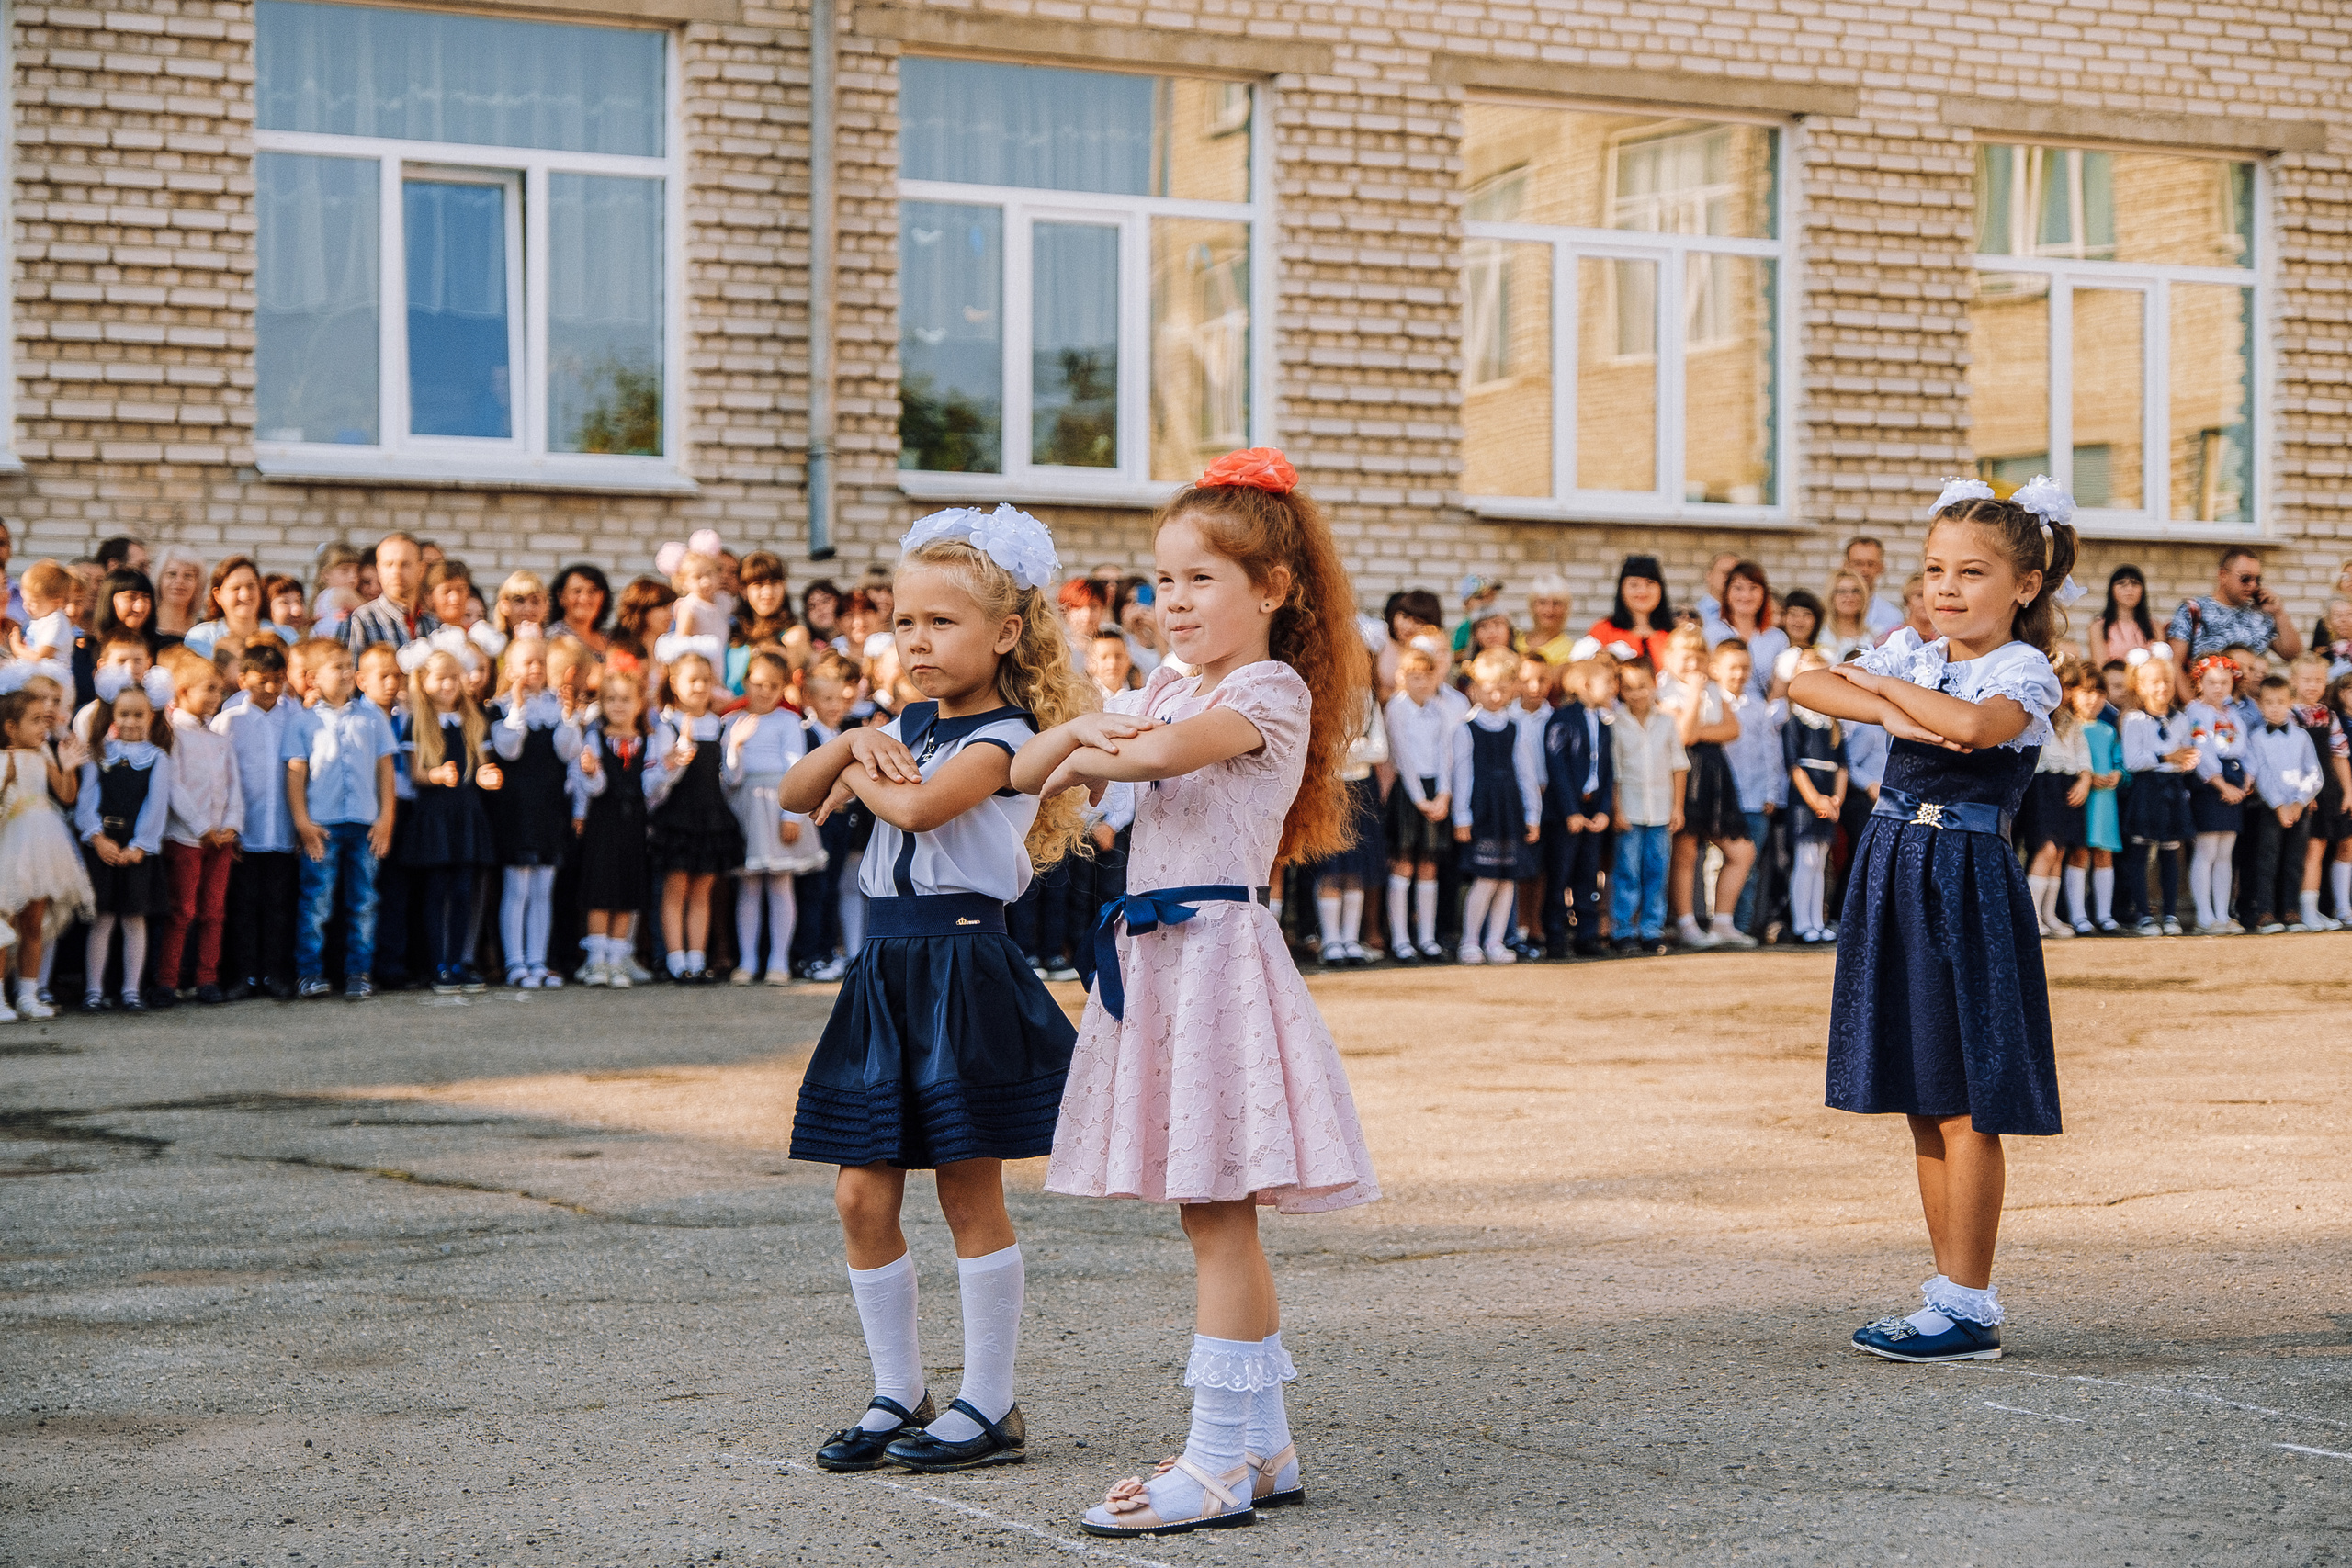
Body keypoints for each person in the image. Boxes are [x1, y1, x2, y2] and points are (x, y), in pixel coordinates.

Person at [1012, 446, 1377, 1536]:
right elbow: (1045, 767)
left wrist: (1084, 736)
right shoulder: (1170, 683)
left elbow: (1141, 759)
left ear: (1270, 590)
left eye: (1201, 578)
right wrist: (1078, 735)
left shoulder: (1268, 689)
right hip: (1160, 961)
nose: (1172, 601)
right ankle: (1260, 1447)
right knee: (1206, 1211)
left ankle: (1216, 1461)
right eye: (1162, 579)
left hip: (1216, 955)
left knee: (1221, 1213)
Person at [780, 505, 1085, 1482]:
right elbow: (794, 794)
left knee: (966, 1187)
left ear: (1004, 633)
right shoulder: (900, 726)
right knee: (860, 1192)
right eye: (903, 621)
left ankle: (989, 1403)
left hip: (961, 966)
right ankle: (895, 1390)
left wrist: (866, 771)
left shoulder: (1006, 736)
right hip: (884, 972)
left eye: (941, 622)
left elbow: (914, 805)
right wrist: (858, 737)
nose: (915, 639)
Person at [1789, 474, 2075, 1364]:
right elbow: (1806, 684)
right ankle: (1945, 1293)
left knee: (1965, 1097)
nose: (1945, 589)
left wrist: (1882, 694)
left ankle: (1970, 1300)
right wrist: (1894, 698)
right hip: (1893, 868)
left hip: (1964, 877)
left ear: (2024, 585)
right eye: (1934, 570)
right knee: (1920, 1092)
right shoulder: (1913, 653)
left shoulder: (2021, 671)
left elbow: (1977, 727)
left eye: (1972, 573)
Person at [282, 637, 399, 999]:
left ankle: (358, 972)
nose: (348, 673)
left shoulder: (372, 717)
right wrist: (301, 822)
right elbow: (296, 774)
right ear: (313, 677)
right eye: (338, 667)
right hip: (322, 826)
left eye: (350, 666)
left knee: (363, 901)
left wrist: (386, 819)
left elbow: (385, 770)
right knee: (317, 901)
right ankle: (309, 973)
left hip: (365, 824)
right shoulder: (303, 722)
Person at [397, 636, 501, 995]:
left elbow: (484, 768)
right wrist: (436, 775)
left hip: (466, 815)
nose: (447, 685)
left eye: (454, 678)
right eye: (440, 678)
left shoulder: (472, 721)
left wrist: (488, 777)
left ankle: (459, 961)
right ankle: (438, 964)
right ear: (423, 681)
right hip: (434, 816)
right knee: (435, 891)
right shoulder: (417, 723)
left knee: (463, 891)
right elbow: (414, 773)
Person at [723, 649, 822, 985]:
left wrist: (791, 814)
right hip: (745, 807)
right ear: (745, 682)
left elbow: (796, 767)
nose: (764, 691)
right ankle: (748, 962)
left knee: (781, 883)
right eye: (757, 682)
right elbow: (729, 777)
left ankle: (778, 961)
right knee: (748, 886)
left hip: (779, 803)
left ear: (782, 688)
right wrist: (734, 747)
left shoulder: (788, 722)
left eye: (773, 685)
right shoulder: (731, 723)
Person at [74, 677, 173, 1011]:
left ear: (151, 717)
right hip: (104, 844)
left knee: (134, 919)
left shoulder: (157, 757)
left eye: (139, 715)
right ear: (113, 715)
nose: (131, 722)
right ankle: (93, 990)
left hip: (135, 849)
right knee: (102, 919)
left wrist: (140, 845)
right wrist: (96, 837)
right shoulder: (98, 752)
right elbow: (87, 798)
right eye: (124, 714)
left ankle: (131, 990)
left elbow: (156, 805)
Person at [487, 634, 579, 987]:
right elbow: (508, 749)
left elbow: (567, 751)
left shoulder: (556, 707)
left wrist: (569, 716)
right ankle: (515, 962)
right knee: (517, 888)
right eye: (527, 663)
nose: (535, 669)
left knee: (543, 888)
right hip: (516, 810)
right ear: (510, 670)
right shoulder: (499, 708)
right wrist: (518, 707)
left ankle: (539, 960)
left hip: (549, 809)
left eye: (540, 662)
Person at [645, 648, 741, 983]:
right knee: (675, 889)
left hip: (711, 818)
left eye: (705, 680)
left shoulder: (719, 726)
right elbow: (654, 785)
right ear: (674, 683)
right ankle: (675, 960)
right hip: (677, 818)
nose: (699, 687)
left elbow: (730, 779)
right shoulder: (666, 724)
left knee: (702, 891)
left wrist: (736, 750)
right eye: (692, 680)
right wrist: (672, 763)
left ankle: (697, 960)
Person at [156, 647, 241, 1005]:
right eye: (208, 688)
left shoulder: (220, 739)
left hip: (220, 839)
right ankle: (166, 980)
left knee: (214, 911)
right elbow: (173, 786)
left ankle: (208, 978)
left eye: (219, 689)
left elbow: (235, 786)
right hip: (187, 838)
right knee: (182, 911)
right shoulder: (173, 735)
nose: (216, 696)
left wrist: (231, 825)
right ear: (183, 692)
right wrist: (202, 826)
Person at [1657, 626, 1751, 949]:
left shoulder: (1714, 688)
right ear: (1669, 658)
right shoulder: (1665, 690)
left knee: (1742, 850)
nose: (1693, 664)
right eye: (1686, 657)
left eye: (1699, 657)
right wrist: (1695, 697)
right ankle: (1685, 922)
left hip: (1715, 774)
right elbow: (1683, 736)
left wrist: (1700, 728)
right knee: (1686, 852)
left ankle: (1722, 920)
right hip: (1685, 774)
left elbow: (1731, 728)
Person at [1447, 646, 1540, 966]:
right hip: (1483, 810)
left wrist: (1533, 814)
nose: (1496, 695)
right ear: (1474, 689)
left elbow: (1527, 774)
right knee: (1485, 877)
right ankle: (1470, 941)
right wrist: (1461, 817)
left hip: (1510, 808)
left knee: (1506, 878)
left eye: (1503, 687)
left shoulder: (1518, 727)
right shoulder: (1465, 728)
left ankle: (1496, 941)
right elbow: (1462, 775)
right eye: (1489, 688)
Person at [215, 639, 298, 998]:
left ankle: (276, 974)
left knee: (279, 908)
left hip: (281, 829)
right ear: (243, 677)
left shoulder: (294, 716)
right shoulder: (228, 721)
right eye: (262, 679)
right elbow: (219, 778)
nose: (270, 687)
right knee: (243, 907)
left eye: (277, 679)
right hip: (243, 831)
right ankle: (242, 975)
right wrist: (226, 828)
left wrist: (299, 825)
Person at [569, 669, 652, 987]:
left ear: (639, 703)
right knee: (601, 891)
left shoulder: (647, 741)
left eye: (626, 699)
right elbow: (591, 787)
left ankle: (617, 960)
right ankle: (596, 961)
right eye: (611, 699)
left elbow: (652, 788)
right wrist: (590, 773)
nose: (618, 706)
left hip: (633, 824)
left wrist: (670, 768)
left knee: (628, 890)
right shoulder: (595, 739)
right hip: (604, 824)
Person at [1311, 645, 1386, 966]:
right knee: (1331, 868)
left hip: (1362, 790)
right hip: (1331, 789)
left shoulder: (1369, 701)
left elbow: (1380, 750)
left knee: (1356, 868)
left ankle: (1350, 939)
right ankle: (1331, 940)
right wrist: (1358, 749)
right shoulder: (1324, 697)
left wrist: (1351, 749)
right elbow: (1322, 748)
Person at [1381, 645, 1453, 964]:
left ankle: (1427, 939)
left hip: (1434, 788)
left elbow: (1445, 753)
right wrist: (1421, 799)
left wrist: (1444, 794)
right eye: (1413, 676)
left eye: (1427, 676)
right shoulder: (1396, 709)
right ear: (1401, 677)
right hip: (1409, 792)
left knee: (1429, 864)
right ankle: (1400, 940)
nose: (1421, 683)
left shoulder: (1439, 709)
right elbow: (1403, 757)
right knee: (1404, 862)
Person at [1541, 658, 1617, 958]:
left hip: (1592, 810)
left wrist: (1603, 810)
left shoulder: (1603, 722)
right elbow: (1556, 768)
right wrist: (1570, 811)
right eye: (1607, 682)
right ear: (1586, 685)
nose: (1613, 687)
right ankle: (1555, 936)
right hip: (1565, 815)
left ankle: (1587, 935)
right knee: (1560, 874)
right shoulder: (1562, 720)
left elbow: (1608, 771)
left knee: (1588, 874)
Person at [1610, 659, 1685, 955]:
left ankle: (1652, 929)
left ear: (1654, 685)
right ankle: (1623, 930)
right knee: (1627, 871)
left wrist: (1678, 808)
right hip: (1629, 809)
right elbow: (1614, 772)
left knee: (1657, 869)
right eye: (1628, 688)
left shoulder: (1667, 722)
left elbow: (1679, 766)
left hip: (1661, 810)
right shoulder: (1616, 724)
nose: (1636, 693)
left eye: (1642, 686)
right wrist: (1617, 810)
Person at [2120, 652, 2195, 934]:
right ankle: (2143, 913)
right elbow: (2132, 760)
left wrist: (2187, 761)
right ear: (2140, 686)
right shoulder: (2135, 720)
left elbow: (2184, 755)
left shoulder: (2181, 720)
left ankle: (2171, 914)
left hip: (2173, 789)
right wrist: (2166, 757)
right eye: (2154, 682)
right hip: (2147, 788)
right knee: (2139, 852)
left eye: (2167, 681)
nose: (2162, 687)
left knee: (2170, 852)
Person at [2243, 674, 2323, 934]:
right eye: (2269, 702)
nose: (2275, 707)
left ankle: (2291, 910)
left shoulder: (2301, 737)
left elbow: (2314, 773)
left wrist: (2299, 802)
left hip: (2300, 807)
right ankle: (2265, 912)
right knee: (2267, 860)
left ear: (2290, 703)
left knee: (2294, 860)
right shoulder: (2256, 738)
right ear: (2261, 705)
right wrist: (2279, 806)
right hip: (2270, 808)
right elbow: (2260, 774)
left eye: (2280, 701)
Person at [1715, 640, 1782, 942]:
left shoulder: (1759, 709)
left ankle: (1741, 928)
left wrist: (1771, 793)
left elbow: (1771, 752)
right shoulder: (1712, 703)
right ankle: (1715, 922)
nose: (1739, 674)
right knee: (1714, 864)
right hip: (1720, 801)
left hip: (1755, 798)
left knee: (1750, 867)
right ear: (1716, 669)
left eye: (1745, 667)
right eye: (1732, 667)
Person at [2022, 653, 2093, 940]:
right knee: (2046, 847)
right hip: (2041, 785)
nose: (2068, 694)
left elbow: (2082, 751)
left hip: (2067, 784)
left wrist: (2085, 778)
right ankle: (2032, 914)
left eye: (2072, 687)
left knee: (2060, 851)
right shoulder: (2033, 714)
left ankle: (2050, 914)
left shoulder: (2070, 721)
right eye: (2064, 685)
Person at [1781, 648, 1847, 944]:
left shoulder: (1833, 722)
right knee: (1805, 861)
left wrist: (1835, 800)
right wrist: (1815, 800)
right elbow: (1794, 766)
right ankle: (1801, 923)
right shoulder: (1794, 720)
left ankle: (1817, 922)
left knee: (1820, 862)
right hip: (1805, 802)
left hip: (1827, 799)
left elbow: (1841, 765)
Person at [2284, 654, 2351, 930]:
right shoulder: (2290, 714)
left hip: (2331, 791)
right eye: (2307, 680)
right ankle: (2308, 910)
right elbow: (2288, 757)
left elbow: (2339, 755)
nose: (2313, 686)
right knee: (2314, 849)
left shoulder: (2329, 715)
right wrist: (2302, 795)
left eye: (2319, 681)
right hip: (2306, 793)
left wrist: (2348, 790)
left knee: (2345, 843)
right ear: (2294, 681)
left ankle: (2342, 905)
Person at [2058, 666, 2123, 934]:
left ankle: (2105, 915)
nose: (2093, 699)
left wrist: (2118, 773)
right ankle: (2077, 915)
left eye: (2099, 693)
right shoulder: (2067, 726)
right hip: (2081, 798)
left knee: (2104, 853)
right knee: (2079, 851)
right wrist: (2086, 777)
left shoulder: (2108, 730)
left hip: (2105, 800)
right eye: (2087, 692)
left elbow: (2120, 759)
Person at [2166, 546, 2301, 667]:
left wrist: (2279, 613)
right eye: (2245, 578)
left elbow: (2292, 655)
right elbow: (2175, 664)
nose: (2253, 585)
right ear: (2223, 575)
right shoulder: (2193, 610)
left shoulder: (2259, 614)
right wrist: (2190, 696)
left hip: (2252, 695)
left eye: (2257, 580)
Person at [338, 533, 438, 654]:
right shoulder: (360, 621)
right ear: (379, 569)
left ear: (421, 569)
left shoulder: (434, 625)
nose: (396, 572)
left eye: (405, 564)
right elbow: (349, 672)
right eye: (389, 564)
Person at [184, 557, 297, 660]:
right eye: (236, 588)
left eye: (251, 586)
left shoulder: (286, 636)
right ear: (217, 595)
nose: (245, 595)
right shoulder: (203, 637)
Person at [1707, 561, 1785, 702]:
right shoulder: (1711, 632)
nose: (1745, 595)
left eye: (1753, 588)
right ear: (1727, 592)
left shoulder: (1777, 638)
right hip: (1722, 711)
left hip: (1763, 714)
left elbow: (1779, 687)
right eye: (1738, 588)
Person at [1588, 556, 1675, 668]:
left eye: (1650, 583)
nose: (1643, 591)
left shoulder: (1674, 635)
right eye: (1634, 584)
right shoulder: (1603, 631)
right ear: (1621, 589)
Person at [1840, 536, 1906, 642]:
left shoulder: (1893, 616)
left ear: (1881, 567)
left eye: (1871, 564)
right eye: (1858, 563)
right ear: (1845, 566)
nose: (1864, 570)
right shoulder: (1827, 615)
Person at [1771, 589, 1828, 697]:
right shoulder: (1773, 651)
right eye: (1793, 614)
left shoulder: (1823, 655)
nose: (1799, 621)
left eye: (1806, 615)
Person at [2092, 565, 2155, 664]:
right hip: (2114, 679)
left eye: (2135, 584)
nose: (2129, 589)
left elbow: (2161, 665)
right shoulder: (2098, 627)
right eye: (2122, 583)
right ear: (2111, 589)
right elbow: (2101, 667)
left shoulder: (2154, 626)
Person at [549, 563, 614, 656]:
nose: (584, 599)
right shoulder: (553, 639)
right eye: (577, 591)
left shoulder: (611, 640)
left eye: (592, 591)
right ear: (561, 597)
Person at [93, 567, 158, 654]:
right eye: (131, 597)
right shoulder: (88, 650)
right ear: (109, 599)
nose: (140, 607)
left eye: (146, 597)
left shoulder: (167, 650)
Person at [152, 547, 206, 645]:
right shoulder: (144, 628)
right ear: (159, 580)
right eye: (172, 574)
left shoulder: (205, 633)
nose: (180, 581)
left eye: (188, 575)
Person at [1823, 570, 1876, 664]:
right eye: (1842, 591)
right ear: (1831, 597)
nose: (1849, 596)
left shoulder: (1875, 636)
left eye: (1855, 591)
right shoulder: (1821, 635)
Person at [1525, 576, 1577, 664]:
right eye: (1542, 603)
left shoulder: (1570, 651)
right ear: (1532, 606)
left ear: (1566, 608)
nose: (1549, 610)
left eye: (1556, 603)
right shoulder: (1514, 639)